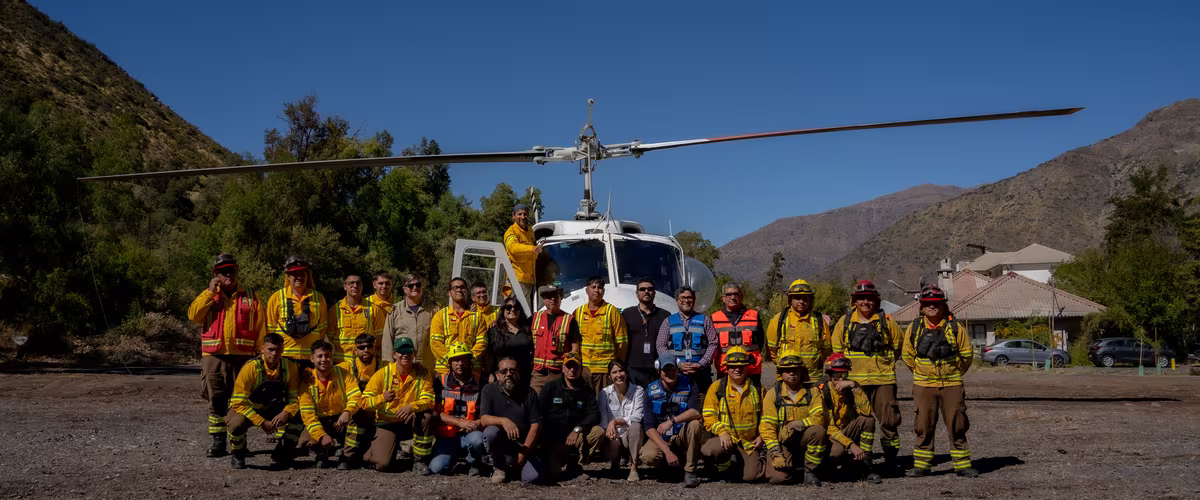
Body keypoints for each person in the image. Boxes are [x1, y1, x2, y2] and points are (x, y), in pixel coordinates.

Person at [188, 253, 266, 458]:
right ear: (216, 275)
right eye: (223, 271)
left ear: (237, 272)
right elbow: (193, 316)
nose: (228, 274)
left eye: (231, 270)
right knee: (216, 401)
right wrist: (208, 293)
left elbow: (261, 326)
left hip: (244, 358)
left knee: (241, 401)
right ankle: (218, 442)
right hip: (215, 356)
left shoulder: (251, 295)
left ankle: (239, 442)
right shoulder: (209, 295)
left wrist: (261, 354)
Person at [903, 285, 979, 478]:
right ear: (922, 307)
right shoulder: (914, 327)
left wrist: (953, 373)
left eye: (936, 303)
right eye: (928, 303)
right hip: (924, 386)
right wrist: (922, 372)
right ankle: (922, 465)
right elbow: (907, 355)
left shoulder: (955, 327)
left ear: (943, 305)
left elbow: (966, 355)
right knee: (923, 425)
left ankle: (962, 465)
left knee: (957, 424)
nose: (932, 306)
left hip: (952, 385)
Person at [831, 280, 904, 471]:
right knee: (855, 422)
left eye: (870, 298)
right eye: (861, 298)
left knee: (889, 422)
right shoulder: (844, 322)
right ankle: (859, 461)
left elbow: (898, 348)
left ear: (876, 301)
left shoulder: (888, 322)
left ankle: (890, 460)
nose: (866, 302)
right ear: (854, 301)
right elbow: (837, 353)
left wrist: (883, 366)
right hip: (854, 383)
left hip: (883, 381)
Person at [225, 333, 302, 469]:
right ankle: (238, 453)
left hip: (274, 408)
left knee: (299, 417)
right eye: (270, 349)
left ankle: (282, 453)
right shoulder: (250, 368)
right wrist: (260, 421)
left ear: (282, 350)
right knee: (236, 425)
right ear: (262, 349)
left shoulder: (290, 367)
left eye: (278, 350)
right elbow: (238, 402)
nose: (274, 353)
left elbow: (295, 398)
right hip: (250, 409)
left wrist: (286, 412)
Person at [361, 337, 436, 474]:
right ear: (394, 354)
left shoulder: (422, 373)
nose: (405, 354)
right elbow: (365, 403)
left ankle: (420, 461)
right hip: (386, 424)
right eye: (401, 351)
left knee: (427, 417)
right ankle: (368, 450)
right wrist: (382, 398)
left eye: (408, 350)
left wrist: (411, 407)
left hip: (408, 422)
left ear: (414, 353)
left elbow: (429, 399)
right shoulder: (382, 374)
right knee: (382, 465)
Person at [761, 348, 827, 486]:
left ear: (802, 371)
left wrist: (796, 424)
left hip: (805, 439)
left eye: (796, 369)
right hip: (783, 442)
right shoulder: (773, 394)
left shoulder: (813, 392)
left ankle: (811, 471)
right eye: (787, 369)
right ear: (780, 372)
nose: (792, 373)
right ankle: (793, 466)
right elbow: (768, 427)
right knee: (779, 478)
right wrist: (775, 453)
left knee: (818, 431)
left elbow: (819, 418)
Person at [640, 355, 707, 488]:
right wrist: (667, 451)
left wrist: (672, 421)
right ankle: (667, 464)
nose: (669, 373)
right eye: (666, 370)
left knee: (695, 424)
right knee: (648, 456)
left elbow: (695, 411)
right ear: (659, 371)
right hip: (661, 437)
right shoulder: (650, 391)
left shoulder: (689, 384)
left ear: (677, 369)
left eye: (672, 369)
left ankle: (690, 472)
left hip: (681, 434)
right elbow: (648, 426)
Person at [538, 352, 605, 483]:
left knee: (599, 431)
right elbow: (540, 413)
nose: (572, 370)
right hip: (554, 437)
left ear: (581, 369)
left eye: (576, 367)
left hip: (575, 434)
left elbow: (594, 414)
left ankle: (576, 463)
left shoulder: (586, 390)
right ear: (563, 368)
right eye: (568, 367)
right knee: (552, 475)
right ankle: (557, 459)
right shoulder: (550, 387)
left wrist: (578, 429)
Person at [701, 346, 764, 483]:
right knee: (711, 450)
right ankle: (724, 466)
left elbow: (766, 418)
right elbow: (708, 416)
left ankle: (742, 463)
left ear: (747, 367)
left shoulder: (758, 390)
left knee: (751, 477)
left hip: (748, 443)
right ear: (727, 368)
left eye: (741, 366)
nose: (737, 369)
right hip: (726, 440)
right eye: (733, 366)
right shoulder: (717, 388)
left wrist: (761, 436)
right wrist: (722, 432)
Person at [297, 340, 363, 469]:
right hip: (322, 421)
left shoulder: (344, 374)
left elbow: (356, 396)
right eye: (319, 356)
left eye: (327, 355)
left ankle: (347, 455)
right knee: (304, 442)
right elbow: (307, 414)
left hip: (341, 419)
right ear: (312, 358)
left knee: (359, 417)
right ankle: (322, 453)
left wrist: (347, 412)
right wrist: (322, 436)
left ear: (332, 357)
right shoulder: (307, 381)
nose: (324, 359)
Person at [818, 353, 882, 483]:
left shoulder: (852, 387)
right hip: (829, 436)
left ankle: (865, 466)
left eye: (845, 375)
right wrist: (851, 445)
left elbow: (867, 412)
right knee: (837, 452)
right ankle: (829, 467)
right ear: (829, 374)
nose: (841, 379)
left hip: (846, 430)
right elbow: (828, 427)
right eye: (837, 375)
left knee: (868, 420)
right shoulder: (821, 391)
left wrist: (854, 387)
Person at [480, 357, 543, 484]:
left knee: (533, 478)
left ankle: (515, 468)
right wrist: (504, 421)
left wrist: (523, 454)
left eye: (513, 371)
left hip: (522, 444)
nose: (508, 374)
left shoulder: (529, 393)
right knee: (490, 432)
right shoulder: (488, 390)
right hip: (500, 445)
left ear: (518, 374)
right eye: (504, 371)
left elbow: (536, 425)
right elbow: (484, 419)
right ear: (497, 375)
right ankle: (499, 467)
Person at [430, 342, 486, 476]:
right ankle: (452, 458)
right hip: (447, 437)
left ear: (470, 361)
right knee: (437, 468)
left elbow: (486, 413)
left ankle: (474, 462)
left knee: (478, 440)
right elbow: (436, 413)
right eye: (455, 360)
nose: (460, 363)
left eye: (464, 359)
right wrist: (460, 423)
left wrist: (475, 424)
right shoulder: (440, 382)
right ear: (450, 362)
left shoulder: (481, 382)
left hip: (471, 434)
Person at [267, 255, 328, 368]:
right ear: (288, 276)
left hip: (311, 359)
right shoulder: (276, 298)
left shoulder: (319, 298)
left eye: (302, 273)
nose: (298, 277)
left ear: (307, 275)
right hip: (284, 358)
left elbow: (323, 328)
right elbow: (270, 329)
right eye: (294, 274)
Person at [656, 286, 718, 396]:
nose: (686, 300)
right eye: (682, 298)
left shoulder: (705, 320)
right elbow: (661, 345)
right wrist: (677, 364)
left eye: (689, 297)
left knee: (702, 404)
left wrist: (701, 364)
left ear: (694, 300)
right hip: (677, 374)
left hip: (701, 373)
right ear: (676, 300)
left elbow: (713, 343)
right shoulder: (668, 321)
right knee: (679, 403)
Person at [766, 279, 831, 382]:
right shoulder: (778, 320)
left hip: (812, 379)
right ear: (790, 299)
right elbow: (771, 350)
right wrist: (784, 367)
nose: (801, 302)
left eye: (805, 298)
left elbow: (826, 350)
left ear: (810, 300)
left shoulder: (819, 321)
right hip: (787, 378)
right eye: (797, 298)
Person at [573, 276, 628, 393]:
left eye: (600, 288)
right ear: (586, 290)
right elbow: (574, 342)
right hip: (585, 370)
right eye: (593, 287)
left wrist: (616, 367)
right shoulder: (578, 313)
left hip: (605, 371)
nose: (596, 290)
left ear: (604, 291)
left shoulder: (612, 312)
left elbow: (622, 343)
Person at [337, 333, 380, 467]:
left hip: (377, 411)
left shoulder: (385, 366)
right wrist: (307, 372)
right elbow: (322, 371)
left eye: (369, 346)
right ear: (355, 350)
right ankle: (348, 455)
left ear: (375, 348)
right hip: (354, 411)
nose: (366, 350)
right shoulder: (346, 367)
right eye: (361, 347)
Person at [599, 360, 646, 481]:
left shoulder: (638, 390)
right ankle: (614, 464)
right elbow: (603, 418)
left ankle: (634, 468)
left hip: (629, 435)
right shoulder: (604, 393)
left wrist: (615, 422)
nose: (618, 375)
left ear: (627, 373)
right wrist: (610, 427)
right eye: (614, 372)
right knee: (608, 435)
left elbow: (638, 416)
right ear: (609, 376)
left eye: (621, 371)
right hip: (613, 436)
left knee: (636, 426)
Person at [430, 277, 489, 375]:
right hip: (445, 371)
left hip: (472, 370)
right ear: (449, 292)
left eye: (462, 287)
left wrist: (469, 361)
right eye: (455, 288)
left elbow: (482, 342)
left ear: (466, 291)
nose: (459, 290)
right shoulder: (440, 316)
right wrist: (451, 362)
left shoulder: (478, 317)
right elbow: (435, 343)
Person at [530, 284, 581, 394]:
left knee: (557, 408)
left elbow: (575, 348)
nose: (553, 299)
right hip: (538, 375)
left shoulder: (570, 320)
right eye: (549, 296)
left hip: (559, 375)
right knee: (535, 407)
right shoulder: (535, 318)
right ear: (544, 300)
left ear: (560, 299)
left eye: (556, 296)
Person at [711, 283, 765, 386]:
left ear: (741, 296)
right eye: (728, 294)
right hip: (725, 370)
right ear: (723, 298)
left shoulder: (754, 316)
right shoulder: (714, 318)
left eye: (736, 294)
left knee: (754, 399)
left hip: (750, 369)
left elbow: (760, 341)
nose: (732, 297)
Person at [621, 278, 670, 387]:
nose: (646, 292)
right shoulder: (627, 314)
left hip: (657, 369)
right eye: (642, 289)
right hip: (633, 369)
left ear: (655, 292)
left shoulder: (665, 315)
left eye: (650, 289)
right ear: (637, 293)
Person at [382, 273, 436, 370]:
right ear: (404, 289)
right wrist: (388, 365)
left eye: (418, 285)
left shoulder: (434, 309)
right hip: (403, 364)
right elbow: (387, 340)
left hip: (426, 365)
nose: (415, 288)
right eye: (411, 285)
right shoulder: (395, 310)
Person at [328, 274, 386, 364]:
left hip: (366, 362)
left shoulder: (374, 309)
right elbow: (330, 337)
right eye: (351, 283)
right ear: (345, 286)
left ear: (362, 286)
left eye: (358, 283)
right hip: (341, 362)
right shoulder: (334, 310)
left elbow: (380, 337)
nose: (355, 286)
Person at [482, 296, 534, 385]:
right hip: (502, 376)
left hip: (524, 376)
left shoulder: (528, 329)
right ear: (503, 311)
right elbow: (489, 354)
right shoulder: (494, 330)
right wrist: (489, 373)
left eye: (516, 307)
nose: (512, 310)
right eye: (509, 307)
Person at [503, 203, 543, 305]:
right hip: (517, 279)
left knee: (527, 311)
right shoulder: (511, 231)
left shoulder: (530, 231)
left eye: (525, 214)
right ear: (513, 216)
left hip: (530, 279)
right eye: (519, 214)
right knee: (516, 310)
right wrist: (532, 249)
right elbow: (512, 248)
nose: (522, 217)